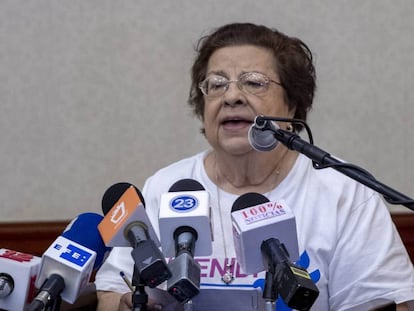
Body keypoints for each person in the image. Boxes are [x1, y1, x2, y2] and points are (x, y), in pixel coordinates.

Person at [94, 22, 414, 310]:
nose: (231, 96)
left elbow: (387, 302)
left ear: (292, 104)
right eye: (217, 84)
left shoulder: (343, 190)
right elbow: (110, 291)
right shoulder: (165, 187)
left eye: (254, 83)